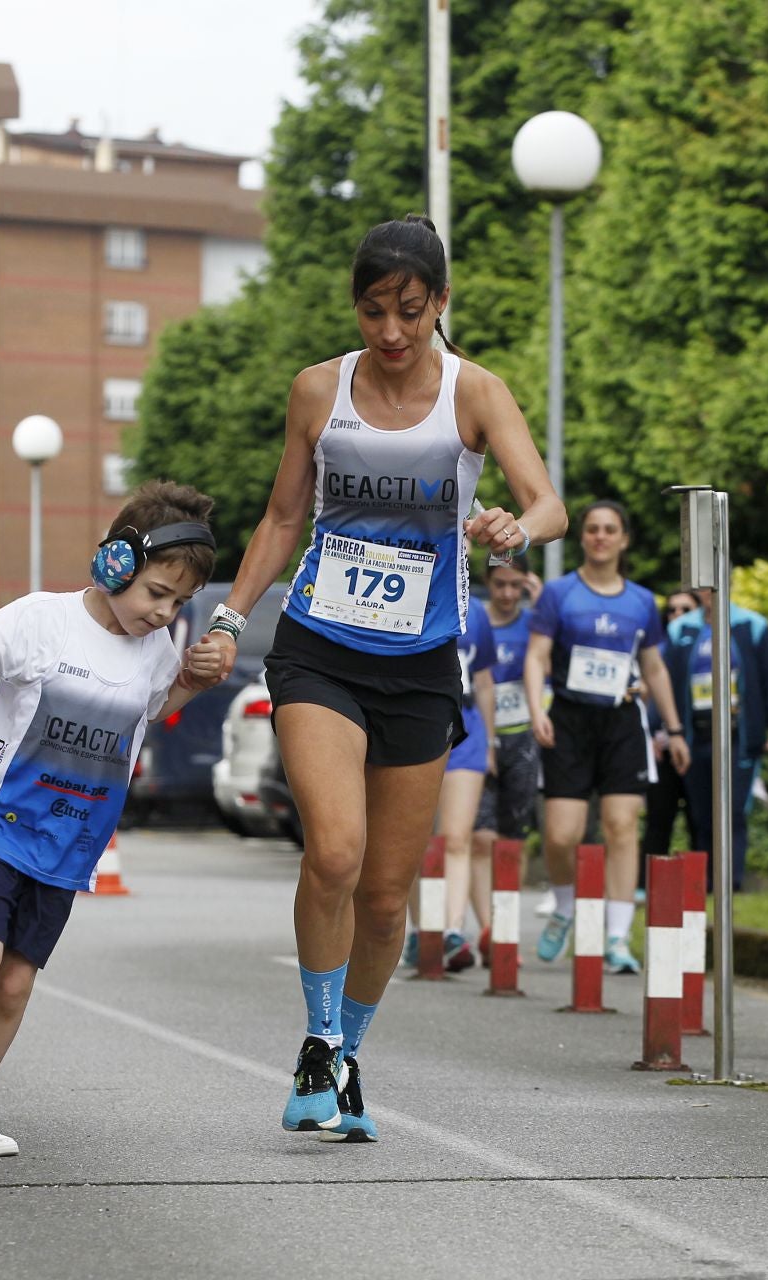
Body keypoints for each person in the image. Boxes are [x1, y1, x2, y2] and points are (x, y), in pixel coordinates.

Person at [201, 215, 564, 1141]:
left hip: (422, 663)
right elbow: (284, 518)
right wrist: (233, 616)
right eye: (374, 311)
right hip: (321, 645)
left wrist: (517, 528)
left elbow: (547, 500)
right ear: (356, 307)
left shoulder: (475, 393)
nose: (393, 331)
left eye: (410, 310)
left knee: (388, 895)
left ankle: (348, 1052)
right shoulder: (320, 390)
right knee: (334, 852)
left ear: (440, 303)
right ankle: (317, 1046)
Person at [0, 483, 225, 1158]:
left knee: (15, 981)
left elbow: (154, 708)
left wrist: (196, 678)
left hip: (73, 838)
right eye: (157, 592)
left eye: (179, 603)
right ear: (115, 564)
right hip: (2, 817)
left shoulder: (155, 650)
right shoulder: (43, 618)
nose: (165, 613)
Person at [523, 501, 690, 975]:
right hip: (570, 720)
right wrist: (539, 709)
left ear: (623, 540)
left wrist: (673, 729)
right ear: (584, 538)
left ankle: (617, 937)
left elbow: (654, 667)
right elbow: (537, 657)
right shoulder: (558, 594)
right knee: (561, 834)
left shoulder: (640, 601)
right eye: (592, 529)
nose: (600, 536)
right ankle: (564, 904)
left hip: (621, 721)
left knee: (621, 826)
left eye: (609, 529)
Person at [665, 587, 768, 890]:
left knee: (733, 810)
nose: (709, 593)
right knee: (700, 814)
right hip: (695, 735)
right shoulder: (680, 629)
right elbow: (665, 682)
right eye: (704, 587)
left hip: (739, 737)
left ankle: (731, 884)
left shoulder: (753, 625)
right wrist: (666, 731)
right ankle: (705, 884)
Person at [405, 594, 494, 972]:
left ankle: (453, 930)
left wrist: (490, 740)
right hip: (413, 722)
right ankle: (421, 927)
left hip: (467, 729)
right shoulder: (406, 592)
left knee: (457, 837)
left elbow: (486, 681)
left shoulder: (476, 611)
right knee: (411, 838)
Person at [474, 556, 542, 948]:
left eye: (516, 585)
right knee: (481, 837)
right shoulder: (477, 620)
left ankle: (504, 919)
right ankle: (488, 926)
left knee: (512, 839)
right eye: (500, 585)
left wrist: (542, 597)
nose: (507, 594)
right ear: (488, 582)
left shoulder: (534, 623)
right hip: (481, 738)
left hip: (522, 740)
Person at [640, 589, 701, 865]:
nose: (677, 615)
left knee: (700, 819)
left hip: (698, 744)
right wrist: (651, 735)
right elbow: (648, 696)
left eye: (685, 610)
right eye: (672, 610)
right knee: (658, 818)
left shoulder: (705, 644)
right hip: (662, 746)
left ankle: (706, 882)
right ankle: (646, 882)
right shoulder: (657, 647)